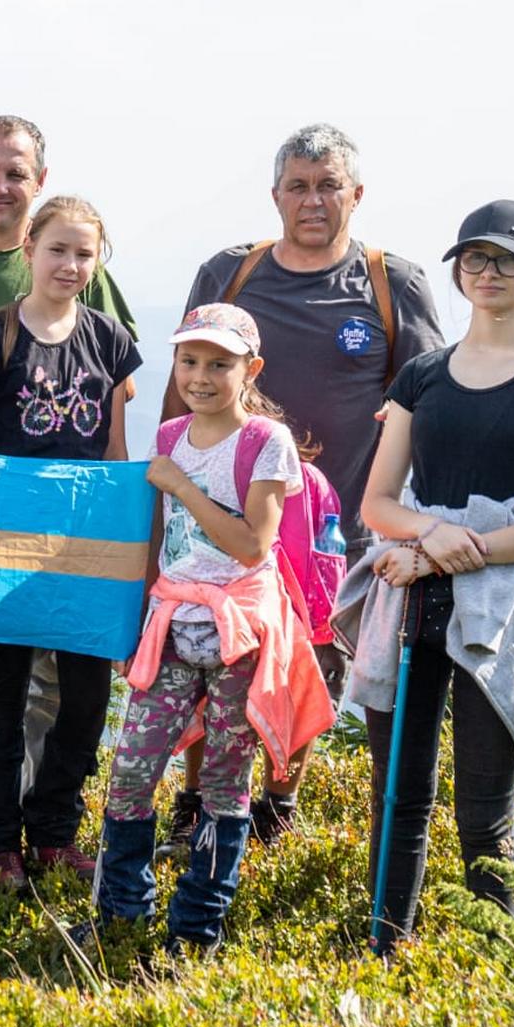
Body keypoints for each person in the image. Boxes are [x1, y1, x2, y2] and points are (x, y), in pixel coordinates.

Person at [170, 124, 446, 841]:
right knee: (203, 654)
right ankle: (192, 802)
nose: (313, 201)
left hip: (336, 526)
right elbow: (184, 382)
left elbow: (431, 404)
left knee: (307, 672)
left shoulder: (392, 283)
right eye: (299, 186)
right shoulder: (232, 272)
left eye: (329, 186)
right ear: (275, 195)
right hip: (217, 519)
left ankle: (276, 808)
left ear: (357, 195)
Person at [343, 200, 514, 951]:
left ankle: (500, 969)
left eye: (508, 260)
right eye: (475, 258)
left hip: (506, 606)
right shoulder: (422, 376)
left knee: (486, 810)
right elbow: (378, 502)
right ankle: (384, 954)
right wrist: (432, 537)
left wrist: (445, 551)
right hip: (412, 599)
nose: (487, 272)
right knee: (397, 801)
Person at [0, 114, 138, 816]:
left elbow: (112, 407)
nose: (0, 185)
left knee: (56, 687)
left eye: (16, 174)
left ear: (38, 186)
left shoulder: (88, 290)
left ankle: (45, 817)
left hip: (66, 534)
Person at [94, 304, 332, 947]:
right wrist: (134, 618)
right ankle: (122, 917)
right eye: (189, 361)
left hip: (240, 635)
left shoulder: (265, 443)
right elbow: (156, 533)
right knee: (132, 771)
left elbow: (255, 545)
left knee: (227, 782)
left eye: (219, 364)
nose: (200, 376)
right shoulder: (170, 434)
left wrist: (183, 486)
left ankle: (197, 926)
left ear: (249, 369)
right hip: (171, 624)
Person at [0, 196, 141, 888]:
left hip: (86, 548)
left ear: (97, 263)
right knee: (3, 698)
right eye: (57, 249)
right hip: (5, 548)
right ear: (29, 248)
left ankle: (54, 828)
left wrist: (130, 555)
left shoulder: (110, 342)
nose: (69, 264)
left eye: (84, 254)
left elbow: (116, 452)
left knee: (87, 700)